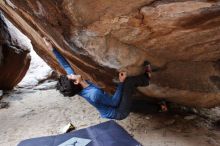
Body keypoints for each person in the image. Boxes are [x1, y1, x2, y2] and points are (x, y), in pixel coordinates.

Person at [43, 38, 167, 120]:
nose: (71, 73)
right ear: (76, 81)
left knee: (132, 104)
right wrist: (121, 82)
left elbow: (65, 65)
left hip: (113, 108)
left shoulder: (77, 85)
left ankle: (160, 108)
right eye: (71, 75)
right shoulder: (93, 94)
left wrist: (52, 48)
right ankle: (146, 78)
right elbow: (114, 102)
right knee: (128, 84)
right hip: (118, 112)